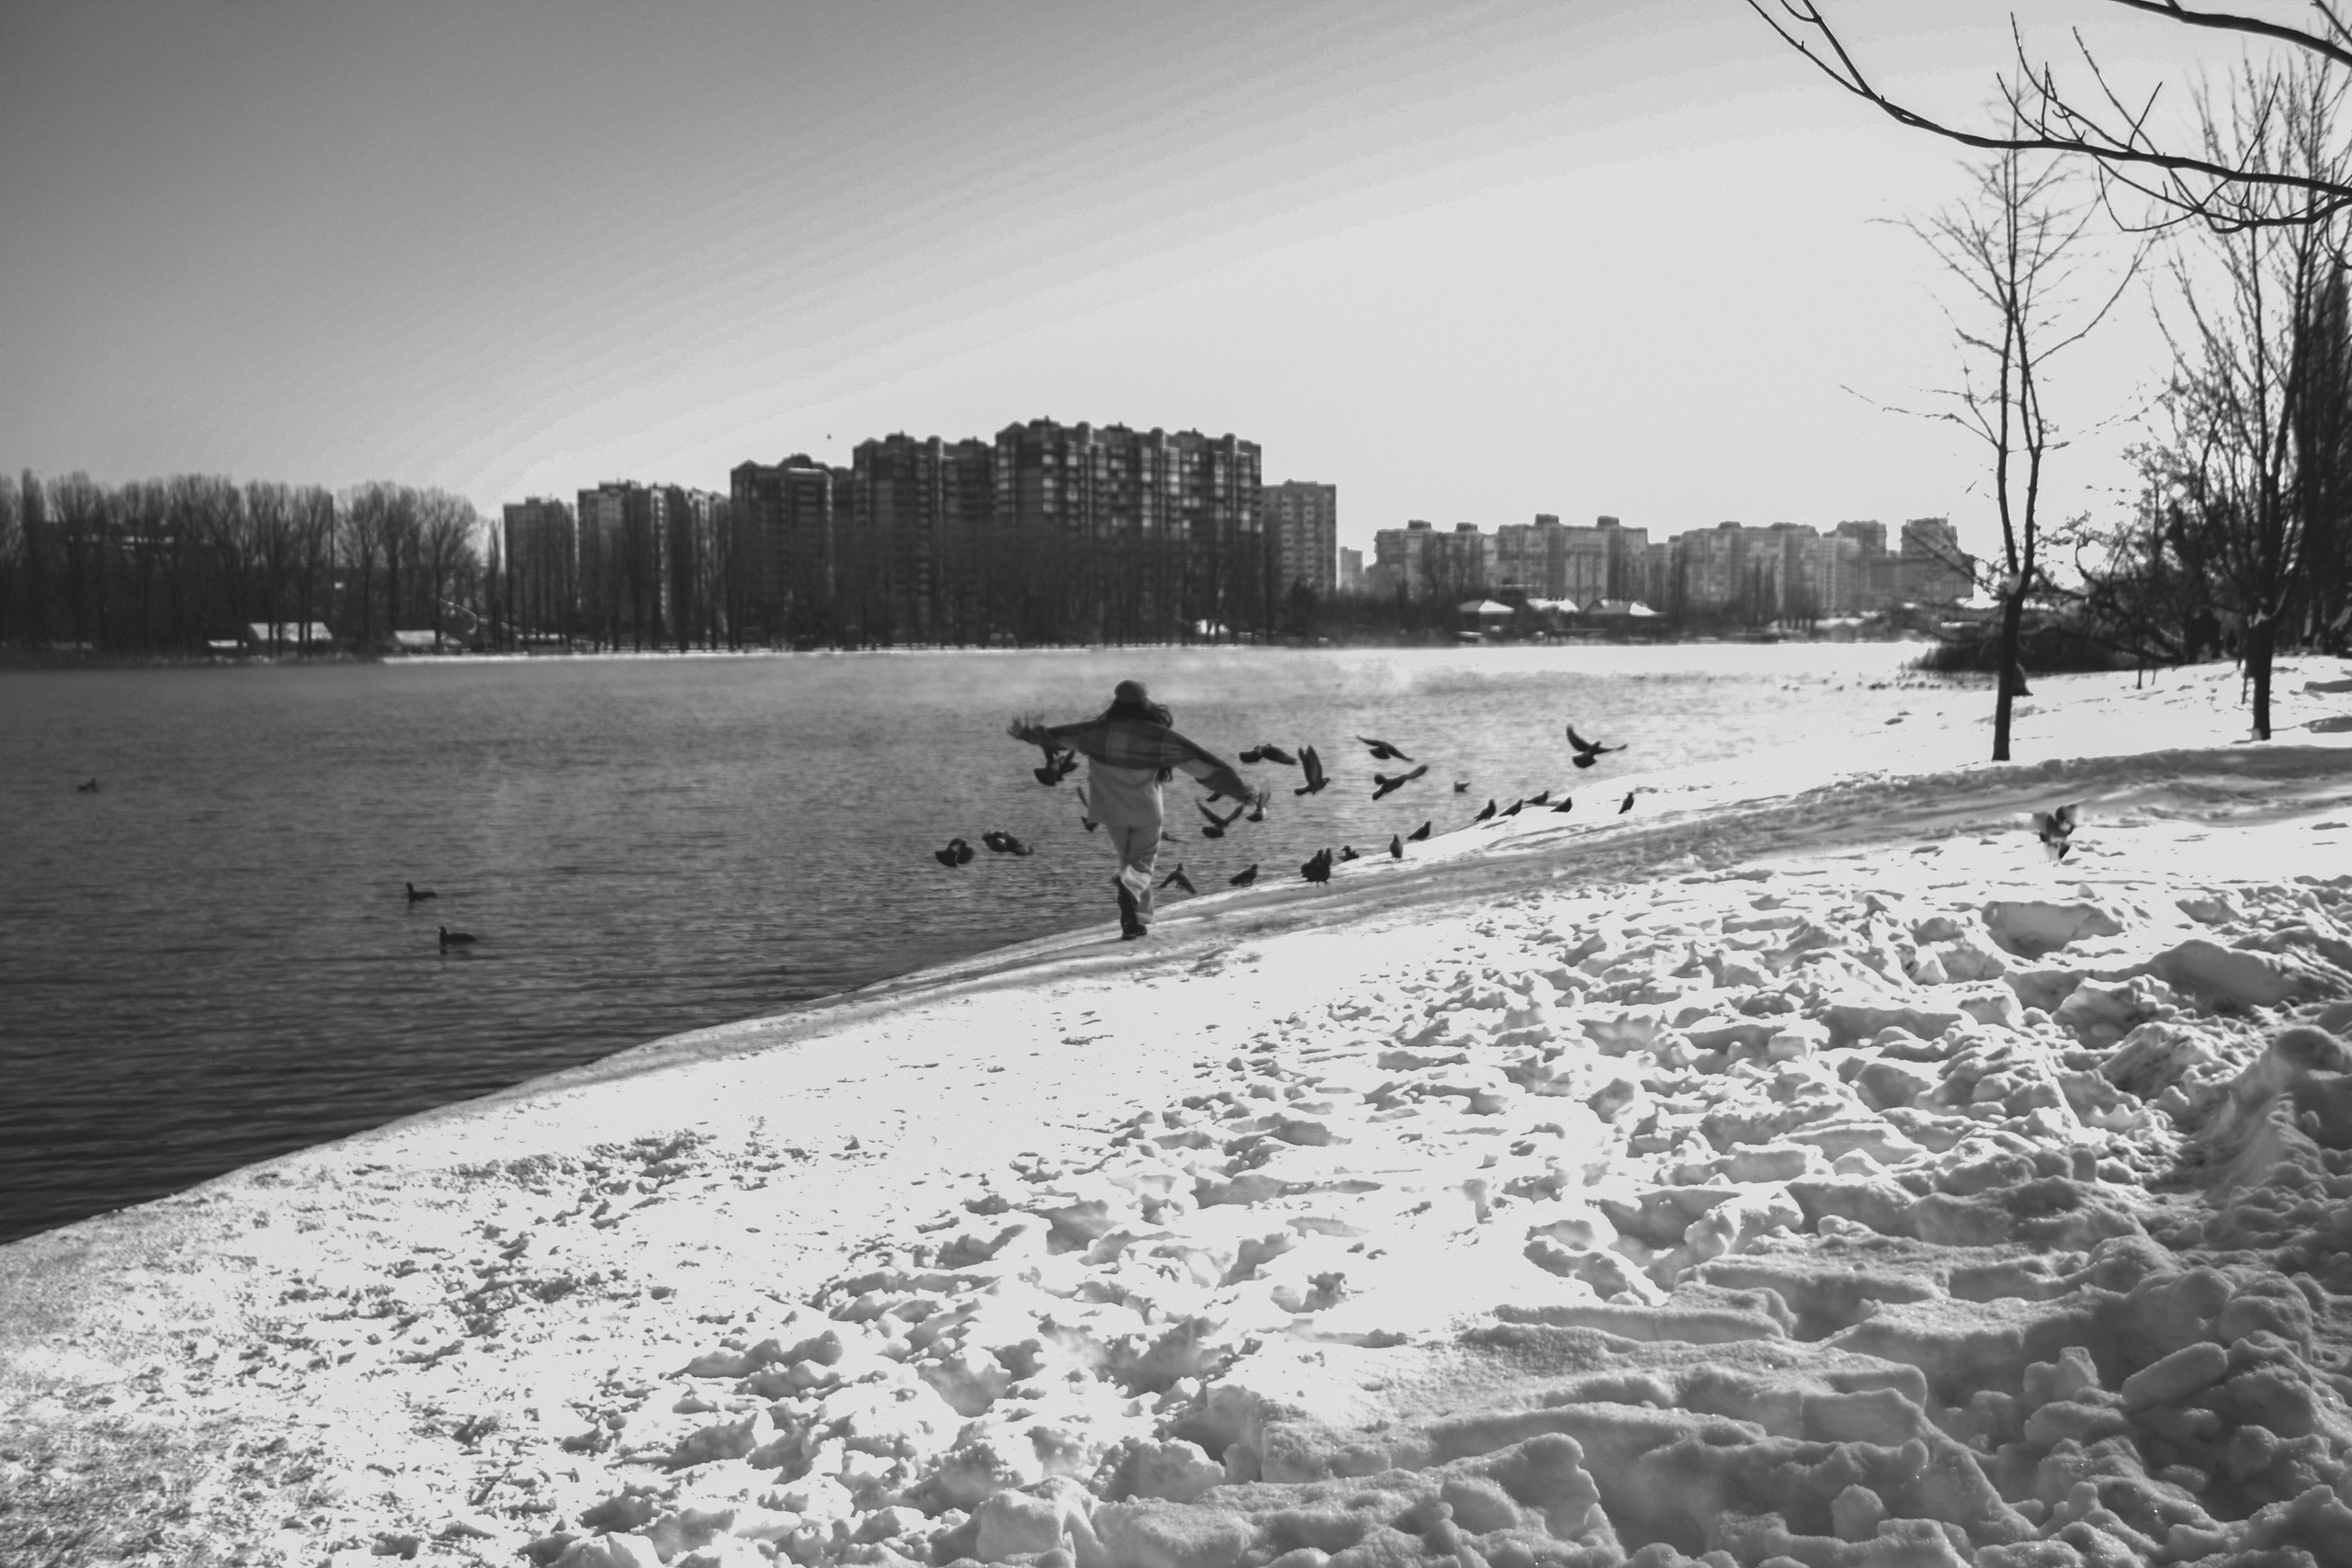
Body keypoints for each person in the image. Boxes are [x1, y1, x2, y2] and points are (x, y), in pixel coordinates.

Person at [1011, 680, 1263, 940]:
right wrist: (1241, 791)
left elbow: (1056, 737)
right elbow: (1199, 763)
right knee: (1140, 865)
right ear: (1146, 703)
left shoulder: (1094, 733)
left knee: (1128, 863)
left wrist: (1029, 734)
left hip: (1110, 811)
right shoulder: (1157, 737)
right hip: (1145, 810)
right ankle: (1132, 913)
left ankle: (1139, 920)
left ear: (1116, 703)